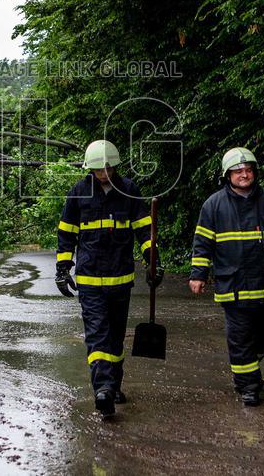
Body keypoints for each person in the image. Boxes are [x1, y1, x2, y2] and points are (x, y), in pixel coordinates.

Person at [188, 147, 264, 407]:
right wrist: (198, 274)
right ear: (227, 175)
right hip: (234, 286)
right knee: (240, 337)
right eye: (238, 171)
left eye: (248, 170)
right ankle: (248, 386)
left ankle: (247, 364)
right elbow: (202, 243)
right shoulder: (213, 205)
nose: (244, 174)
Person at [55, 139, 161, 416]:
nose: (104, 174)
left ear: (114, 166)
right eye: (99, 170)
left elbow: (144, 230)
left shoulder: (129, 191)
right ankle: (102, 389)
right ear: (90, 169)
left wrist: (153, 261)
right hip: (90, 280)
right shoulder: (78, 193)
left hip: (120, 279)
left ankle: (113, 384)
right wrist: (63, 268)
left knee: (114, 338)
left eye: (108, 168)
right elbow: (67, 234)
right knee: (97, 335)